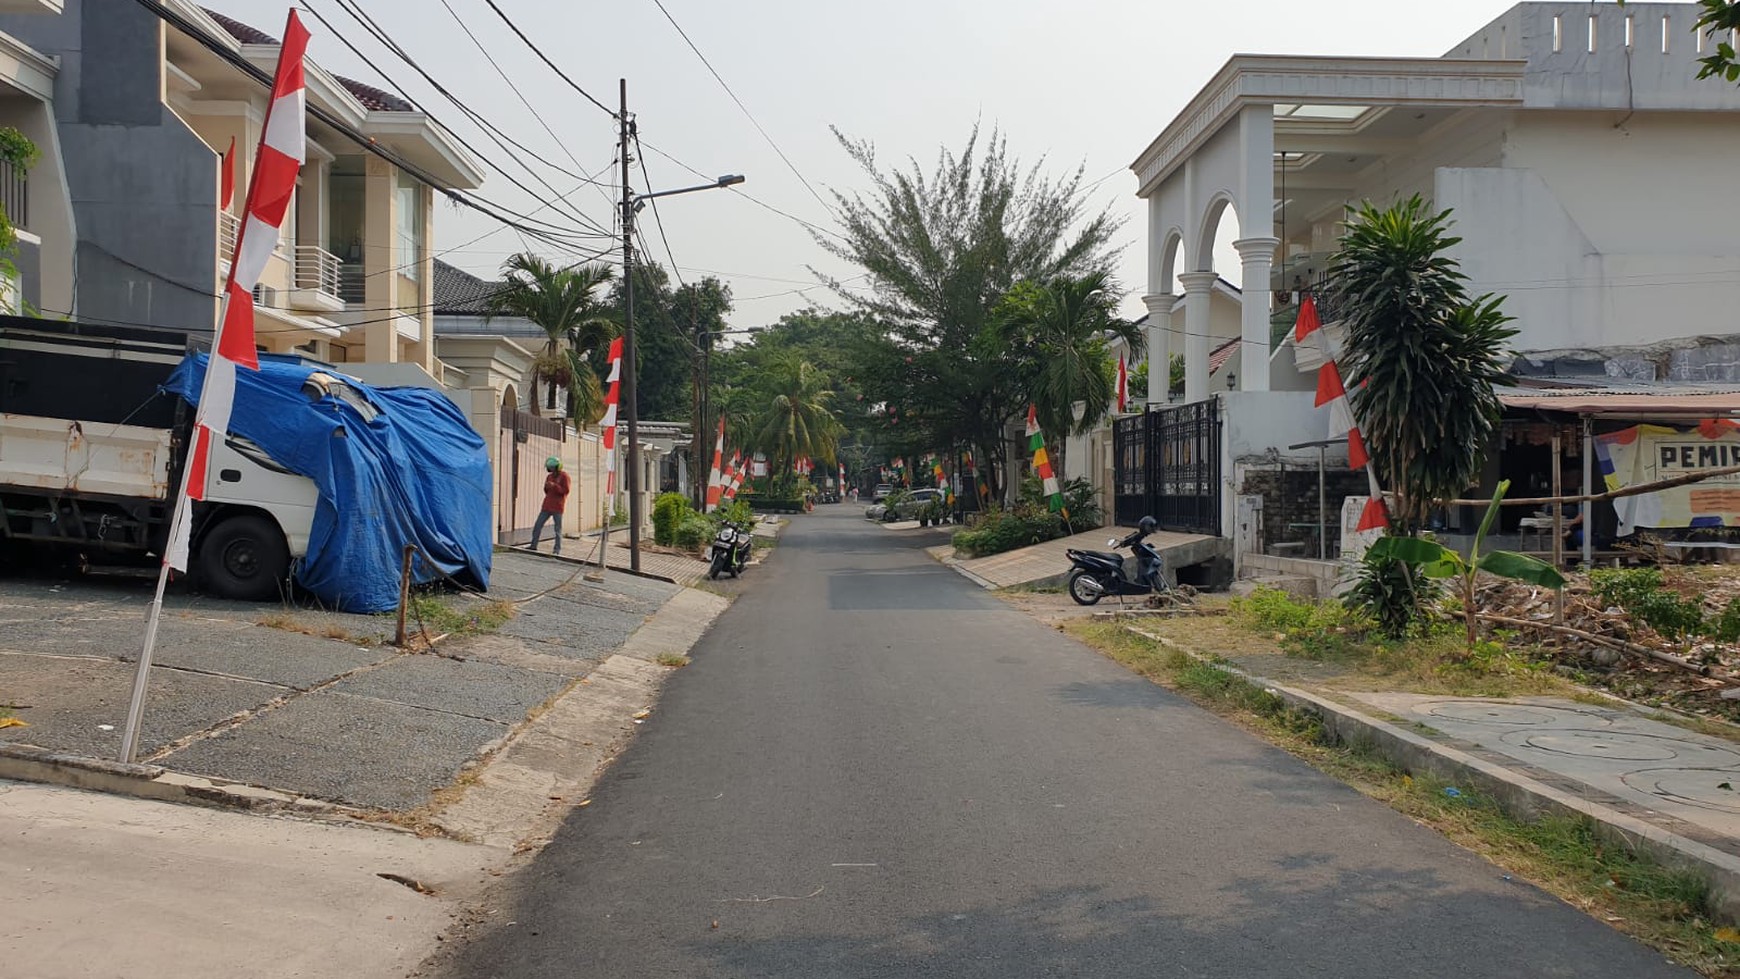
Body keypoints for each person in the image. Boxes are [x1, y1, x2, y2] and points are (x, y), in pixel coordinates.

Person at [530, 457, 570, 554]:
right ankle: (533, 545)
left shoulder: (564, 476)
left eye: (552, 468)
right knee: (537, 525)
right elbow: (546, 491)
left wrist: (555, 486)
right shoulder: (549, 477)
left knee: (557, 529)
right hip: (547, 506)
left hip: (558, 506)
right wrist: (547, 487)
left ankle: (557, 550)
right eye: (549, 468)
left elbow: (566, 490)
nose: (551, 470)